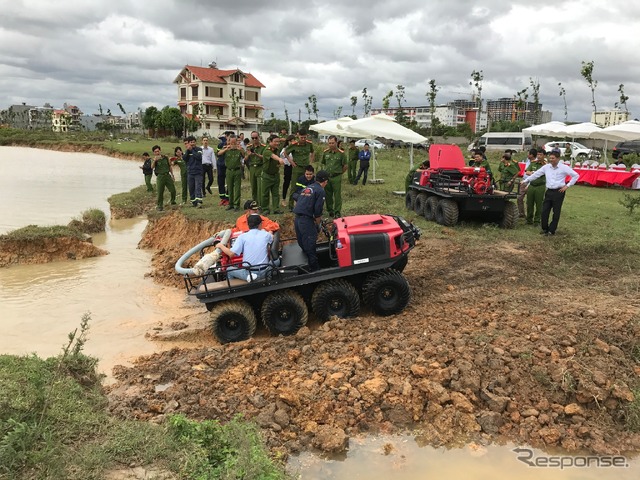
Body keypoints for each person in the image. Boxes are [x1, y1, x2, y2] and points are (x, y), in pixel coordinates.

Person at [522, 151, 579, 236]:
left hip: (559, 191)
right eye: (550, 158)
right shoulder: (546, 167)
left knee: (556, 212)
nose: (551, 160)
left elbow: (576, 175)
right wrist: (526, 180)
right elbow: (536, 174)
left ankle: (551, 230)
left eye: (553, 158)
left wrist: (567, 186)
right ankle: (545, 228)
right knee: (544, 210)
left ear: (558, 159)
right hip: (549, 191)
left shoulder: (564, 167)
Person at [216, 214, 276, 282]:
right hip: (265, 271)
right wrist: (270, 232)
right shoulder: (266, 234)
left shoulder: (242, 237)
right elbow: (272, 237)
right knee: (277, 261)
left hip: (250, 273)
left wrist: (221, 246)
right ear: (260, 224)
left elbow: (231, 254)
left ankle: (234, 288)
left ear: (248, 224)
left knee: (229, 269)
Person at [293, 169, 329, 272]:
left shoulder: (308, 187)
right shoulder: (320, 190)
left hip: (297, 219)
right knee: (310, 245)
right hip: (305, 220)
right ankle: (314, 270)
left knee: (303, 244)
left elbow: (298, 198)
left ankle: (306, 266)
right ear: (325, 181)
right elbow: (318, 211)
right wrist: (318, 225)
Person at [285, 129, 315, 211]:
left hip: (306, 168)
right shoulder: (294, 144)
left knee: (308, 187)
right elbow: (285, 152)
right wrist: (291, 161)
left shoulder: (309, 144)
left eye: (304, 137)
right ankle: (291, 206)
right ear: (298, 136)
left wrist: (311, 162)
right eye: (301, 137)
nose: (303, 139)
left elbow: (312, 152)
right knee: (294, 187)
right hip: (297, 168)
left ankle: (306, 204)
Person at [320, 135, 347, 217]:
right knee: (328, 195)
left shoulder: (341, 154)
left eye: (333, 143)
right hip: (327, 177)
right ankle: (330, 210)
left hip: (337, 177)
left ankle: (337, 212)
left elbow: (345, 166)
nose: (331, 144)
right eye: (330, 143)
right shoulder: (325, 153)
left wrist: (339, 173)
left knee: (337, 195)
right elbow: (323, 163)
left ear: (336, 143)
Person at [218, 133, 245, 211]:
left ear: (237, 142)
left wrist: (241, 150)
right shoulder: (226, 148)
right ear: (229, 142)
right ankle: (231, 204)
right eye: (231, 142)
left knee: (237, 189)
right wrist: (226, 149)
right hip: (229, 170)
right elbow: (219, 154)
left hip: (237, 170)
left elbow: (244, 156)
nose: (233, 144)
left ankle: (237, 205)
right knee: (229, 188)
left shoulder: (239, 149)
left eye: (234, 142)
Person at [261, 135, 286, 214]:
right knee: (265, 193)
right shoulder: (267, 150)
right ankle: (265, 209)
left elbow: (277, 158)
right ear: (270, 142)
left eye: (278, 141)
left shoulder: (277, 150)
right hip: (267, 175)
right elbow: (273, 156)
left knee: (275, 193)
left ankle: (276, 209)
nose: (277, 143)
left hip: (275, 175)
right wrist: (279, 159)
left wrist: (278, 163)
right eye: (275, 141)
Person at [524, 149, 547, 225]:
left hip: (540, 186)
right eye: (538, 155)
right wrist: (532, 173)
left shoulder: (546, 165)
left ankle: (537, 220)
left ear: (544, 156)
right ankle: (529, 219)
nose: (539, 156)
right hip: (532, 185)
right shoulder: (533, 163)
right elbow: (527, 171)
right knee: (529, 203)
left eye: (541, 155)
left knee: (539, 204)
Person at [151, 145, 176, 211]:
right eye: (155, 152)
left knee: (173, 190)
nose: (157, 153)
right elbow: (152, 167)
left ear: (160, 150)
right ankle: (160, 205)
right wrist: (155, 161)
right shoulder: (154, 159)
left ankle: (173, 201)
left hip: (167, 175)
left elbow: (170, 166)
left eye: (158, 151)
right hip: (160, 176)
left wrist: (172, 175)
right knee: (160, 192)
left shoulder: (165, 157)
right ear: (154, 152)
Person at [183, 135, 203, 207]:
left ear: (195, 142)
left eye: (193, 142)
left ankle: (199, 202)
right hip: (190, 172)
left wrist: (192, 150)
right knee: (191, 188)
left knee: (198, 187)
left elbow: (198, 157)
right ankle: (193, 202)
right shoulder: (187, 151)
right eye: (190, 142)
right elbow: (184, 158)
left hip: (198, 172)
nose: (192, 144)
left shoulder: (199, 149)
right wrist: (188, 151)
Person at [246, 131, 265, 203]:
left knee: (260, 187)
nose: (254, 139)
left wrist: (256, 154)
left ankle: (260, 203)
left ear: (259, 137)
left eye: (256, 138)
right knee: (253, 187)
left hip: (260, 167)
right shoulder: (249, 147)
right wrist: (248, 154)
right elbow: (245, 159)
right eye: (252, 138)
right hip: (252, 168)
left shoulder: (263, 147)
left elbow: (264, 158)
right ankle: (255, 202)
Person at [518, 148, 537, 218]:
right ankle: (521, 213)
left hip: (530, 183)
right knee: (519, 198)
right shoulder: (527, 160)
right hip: (524, 181)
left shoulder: (536, 163)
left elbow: (535, 176)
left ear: (532, 155)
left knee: (529, 201)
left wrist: (528, 185)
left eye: (528, 153)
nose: (527, 155)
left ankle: (529, 215)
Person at [215, 131, 231, 206]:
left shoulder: (233, 146)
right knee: (221, 182)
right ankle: (223, 198)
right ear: (226, 137)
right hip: (220, 166)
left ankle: (228, 199)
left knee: (229, 182)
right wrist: (225, 149)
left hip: (228, 166)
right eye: (229, 137)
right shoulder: (221, 145)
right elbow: (218, 154)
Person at [280, 135, 295, 207]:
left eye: (293, 141)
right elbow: (282, 155)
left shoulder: (296, 148)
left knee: (295, 184)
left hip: (295, 167)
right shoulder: (285, 149)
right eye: (290, 141)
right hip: (288, 167)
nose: (292, 142)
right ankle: (283, 199)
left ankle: (294, 199)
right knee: (286, 183)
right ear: (288, 142)